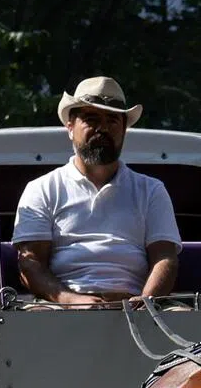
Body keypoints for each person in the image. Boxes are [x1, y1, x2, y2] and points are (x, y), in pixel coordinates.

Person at [12, 76, 181, 306]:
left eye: (112, 120)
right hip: (59, 309)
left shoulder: (151, 190)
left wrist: (145, 302)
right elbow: (30, 264)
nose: (103, 128)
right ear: (70, 127)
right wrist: (70, 300)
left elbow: (165, 258)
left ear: (124, 130)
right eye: (91, 119)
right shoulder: (41, 189)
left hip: (139, 306)